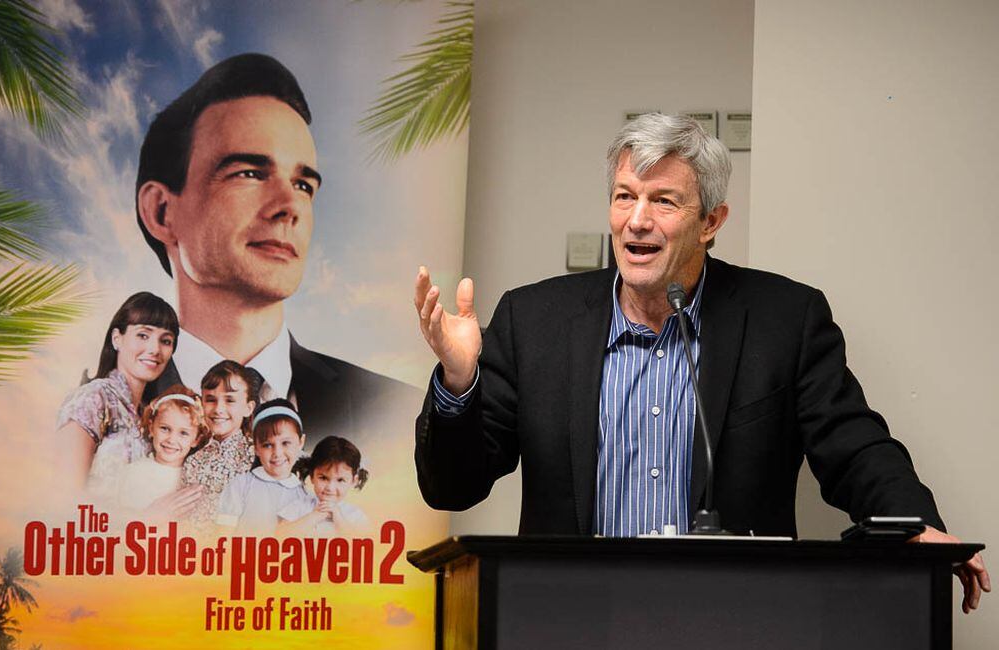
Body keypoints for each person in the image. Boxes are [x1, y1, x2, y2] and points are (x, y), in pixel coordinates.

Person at [413, 113, 990, 613]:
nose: (637, 220)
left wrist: (915, 525)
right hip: (572, 616)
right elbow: (451, 489)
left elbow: (853, 445)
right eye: (624, 196)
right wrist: (459, 382)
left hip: (731, 617)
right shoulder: (533, 320)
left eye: (663, 201)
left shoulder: (783, 320)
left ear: (711, 222)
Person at [134, 53, 417, 447]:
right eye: (249, 173)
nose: (290, 206)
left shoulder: (401, 414)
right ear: (162, 212)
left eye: (303, 185)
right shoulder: (99, 414)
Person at [56, 292, 179, 487]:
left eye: (165, 341)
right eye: (143, 335)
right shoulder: (93, 398)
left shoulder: (151, 416)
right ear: (116, 338)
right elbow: (65, 493)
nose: (155, 349)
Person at [183, 360, 260, 529]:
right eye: (210, 399)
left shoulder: (257, 457)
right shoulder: (193, 459)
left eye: (230, 400)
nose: (218, 409)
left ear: (248, 408)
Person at [215, 399, 307, 535]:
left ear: (300, 442)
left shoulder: (305, 492)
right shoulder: (241, 486)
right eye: (267, 445)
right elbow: (223, 536)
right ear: (256, 448)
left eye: (286, 443)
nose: (277, 453)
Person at [116, 385, 210, 516]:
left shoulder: (194, 478)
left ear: (196, 439)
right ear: (152, 428)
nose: (171, 440)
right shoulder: (133, 472)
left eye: (183, 433)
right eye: (165, 428)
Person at [279, 436, 370, 536]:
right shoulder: (299, 506)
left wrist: (338, 517)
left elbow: (360, 540)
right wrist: (316, 515)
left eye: (340, 480)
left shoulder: (355, 515)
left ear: (353, 481)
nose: (330, 488)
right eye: (323, 478)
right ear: (312, 476)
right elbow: (280, 535)